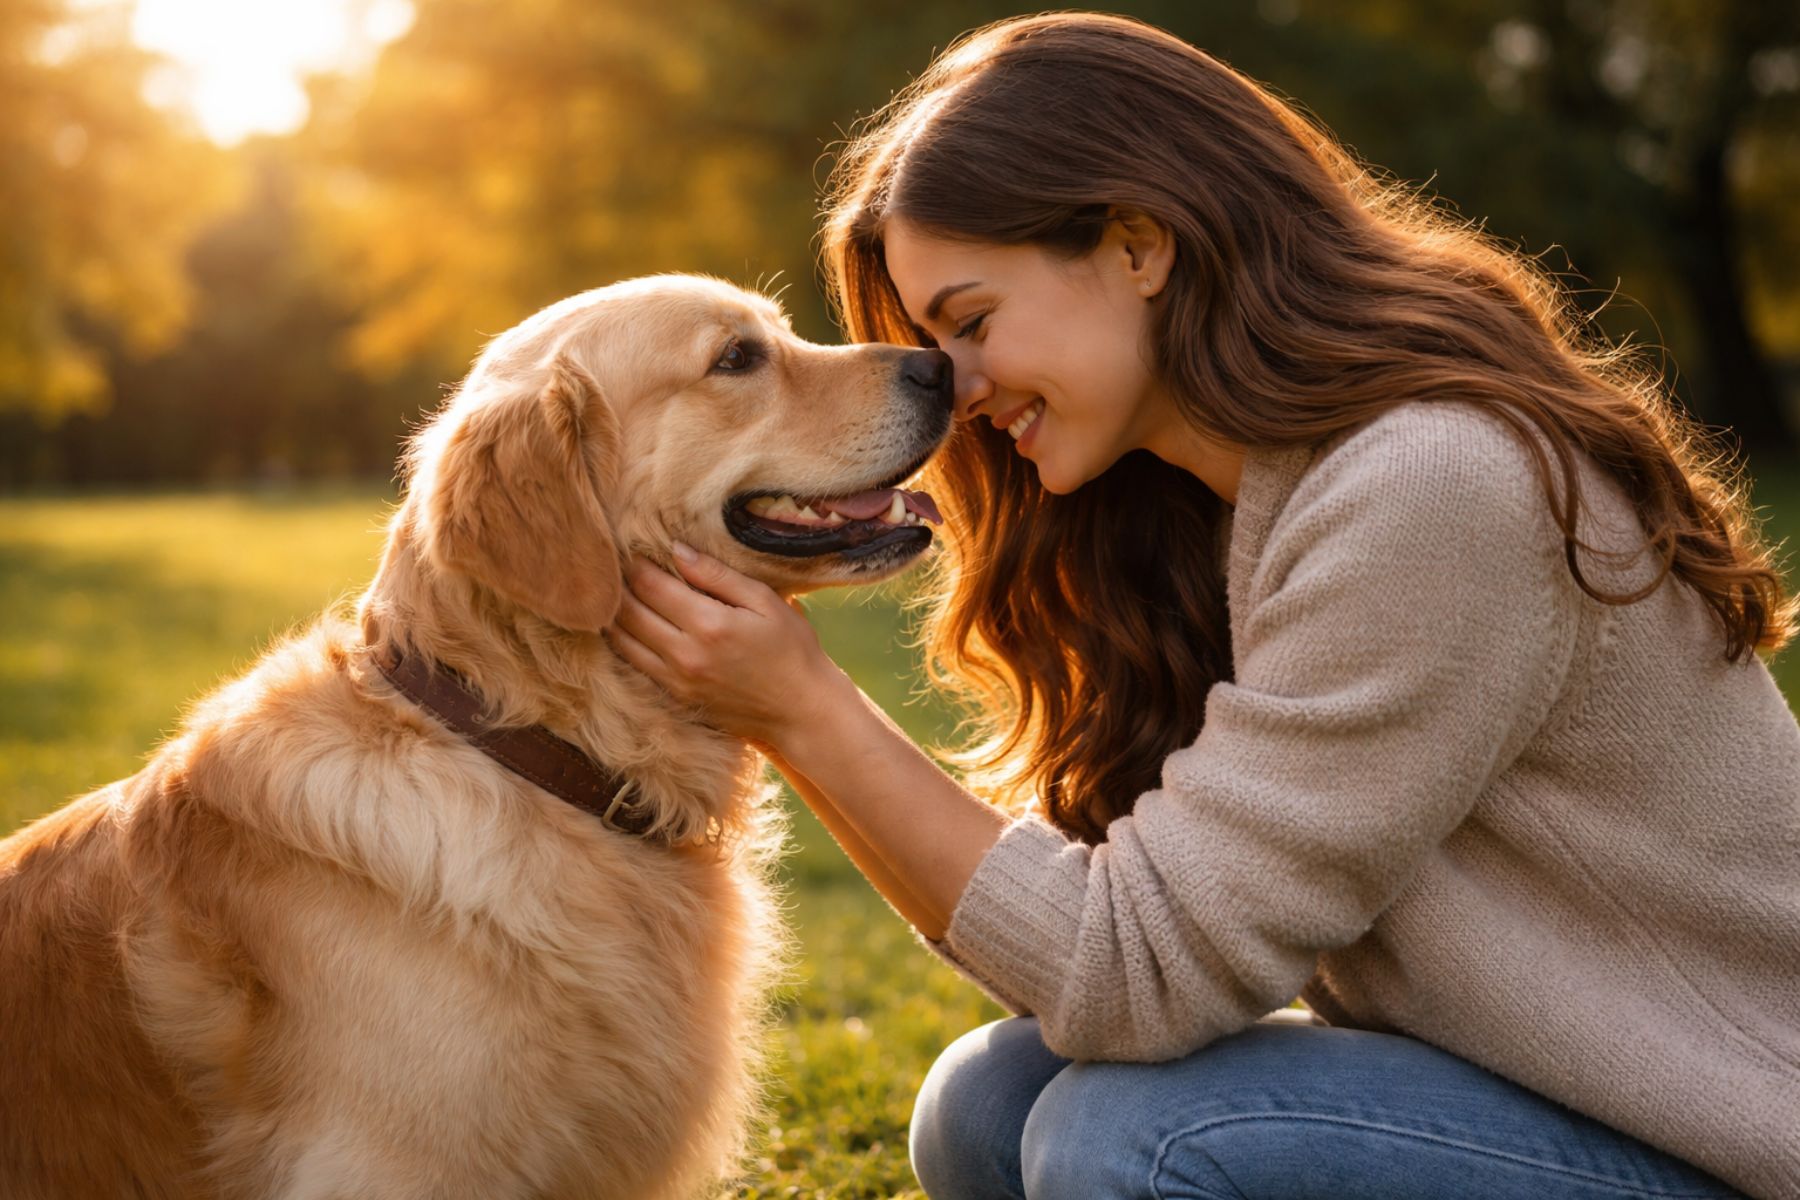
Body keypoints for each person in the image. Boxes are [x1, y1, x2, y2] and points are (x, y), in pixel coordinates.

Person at [605, 12, 1799, 1199]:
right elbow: (1104, 956)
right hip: (1531, 1091)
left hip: (1733, 1142)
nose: (953, 392)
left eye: (971, 324)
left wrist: (805, 709)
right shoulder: (1202, 506)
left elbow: (1131, 973)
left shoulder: (1431, 490)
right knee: (989, 1106)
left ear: (1138, 247)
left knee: (1133, 1136)